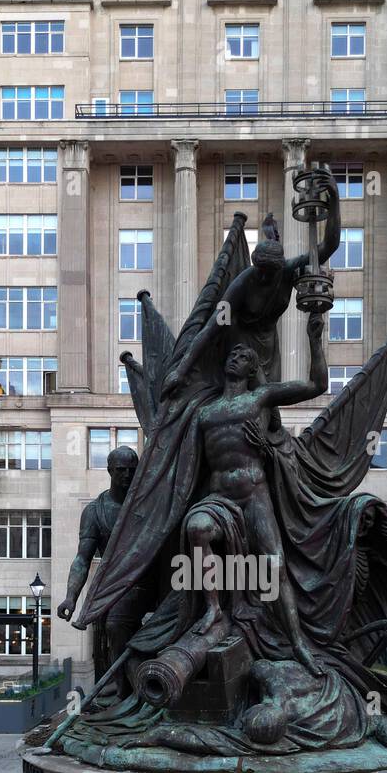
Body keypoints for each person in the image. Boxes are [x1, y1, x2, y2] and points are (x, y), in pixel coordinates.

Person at [182, 315, 329, 674]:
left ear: (253, 369)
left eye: (244, 357)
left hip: (254, 494)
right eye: (232, 355)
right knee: (197, 529)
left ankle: (298, 644)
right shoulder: (204, 412)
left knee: (274, 565)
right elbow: (187, 466)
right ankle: (213, 608)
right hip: (219, 498)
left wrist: (314, 339)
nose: (236, 358)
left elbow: (316, 384)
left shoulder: (261, 397)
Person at [164, 173, 341, 389]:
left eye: (268, 273)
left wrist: (334, 200)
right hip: (240, 342)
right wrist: (181, 372)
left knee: (268, 403)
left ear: (279, 269)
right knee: (256, 394)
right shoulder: (243, 283)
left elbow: (329, 245)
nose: (262, 276)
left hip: (268, 343)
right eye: (260, 270)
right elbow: (213, 327)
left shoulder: (287, 270)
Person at [57, 445, 148, 692]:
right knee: (114, 626)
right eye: (121, 470)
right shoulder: (95, 512)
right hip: (120, 585)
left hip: (152, 581)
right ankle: (124, 690)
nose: (127, 475)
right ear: (109, 470)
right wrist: (71, 597)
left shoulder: (148, 507)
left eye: (132, 470)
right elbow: (82, 559)